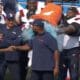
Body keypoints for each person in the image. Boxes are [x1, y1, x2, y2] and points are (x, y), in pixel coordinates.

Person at [57, 7, 80, 80]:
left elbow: (71, 29)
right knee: (61, 74)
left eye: (70, 12)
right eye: (67, 12)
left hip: (73, 50)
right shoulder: (63, 20)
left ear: (76, 13)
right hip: (62, 50)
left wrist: (60, 30)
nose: (68, 13)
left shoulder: (77, 19)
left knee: (74, 75)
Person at [0, 13, 23, 80]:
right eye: (9, 20)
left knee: (17, 78)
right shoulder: (1, 27)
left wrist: (4, 40)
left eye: (12, 20)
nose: (11, 22)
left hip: (13, 58)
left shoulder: (18, 29)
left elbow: (18, 41)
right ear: (5, 20)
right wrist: (11, 40)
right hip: (1, 57)